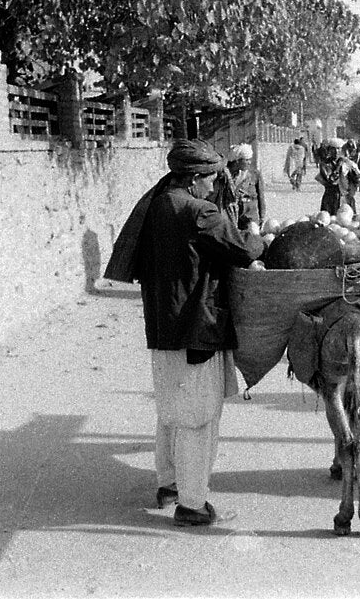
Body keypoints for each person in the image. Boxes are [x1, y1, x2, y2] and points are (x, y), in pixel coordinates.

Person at [105, 139, 264, 526]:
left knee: (171, 413)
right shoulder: (199, 211)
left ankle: (169, 484)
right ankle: (193, 504)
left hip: (162, 327)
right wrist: (260, 235)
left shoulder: (158, 202)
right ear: (194, 179)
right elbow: (243, 250)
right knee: (199, 416)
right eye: (209, 180)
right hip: (197, 328)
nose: (213, 187)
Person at [213, 143, 266, 229]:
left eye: (250, 159)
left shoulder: (254, 174)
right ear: (238, 160)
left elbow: (261, 197)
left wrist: (262, 216)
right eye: (247, 160)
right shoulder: (224, 175)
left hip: (249, 217)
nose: (249, 162)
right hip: (230, 217)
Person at [316, 137, 360, 214]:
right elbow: (331, 180)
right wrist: (338, 167)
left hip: (346, 197)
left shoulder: (347, 162)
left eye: (338, 149)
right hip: (331, 197)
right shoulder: (325, 164)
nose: (336, 151)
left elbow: (359, 178)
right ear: (329, 150)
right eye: (333, 149)